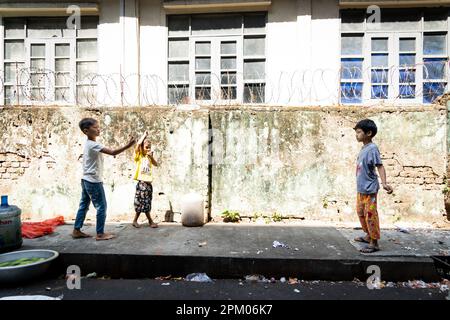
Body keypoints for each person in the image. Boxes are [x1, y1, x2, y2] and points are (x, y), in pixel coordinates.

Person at [72, 118, 136, 240]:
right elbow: (112, 152)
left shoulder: (89, 144)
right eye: (95, 128)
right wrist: (128, 145)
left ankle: (76, 230)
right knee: (101, 206)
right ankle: (100, 234)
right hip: (93, 181)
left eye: (98, 127)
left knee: (84, 205)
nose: (98, 129)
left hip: (86, 179)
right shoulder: (93, 145)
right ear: (86, 131)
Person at [353, 119, 393, 253]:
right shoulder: (364, 148)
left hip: (370, 189)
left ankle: (374, 242)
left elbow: (380, 166)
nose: (356, 135)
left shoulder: (372, 148)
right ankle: (368, 235)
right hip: (361, 189)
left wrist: (384, 183)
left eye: (359, 132)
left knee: (370, 214)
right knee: (360, 212)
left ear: (369, 133)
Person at [133, 131, 159, 228]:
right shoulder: (139, 156)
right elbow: (138, 144)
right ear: (142, 148)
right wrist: (144, 136)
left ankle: (135, 220)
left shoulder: (149, 157)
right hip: (142, 183)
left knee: (146, 203)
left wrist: (151, 157)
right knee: (142, 203)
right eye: (146, 147)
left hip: (148, 184)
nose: (148, 149)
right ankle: (150, 221)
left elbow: (156, 164)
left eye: (149, 147)